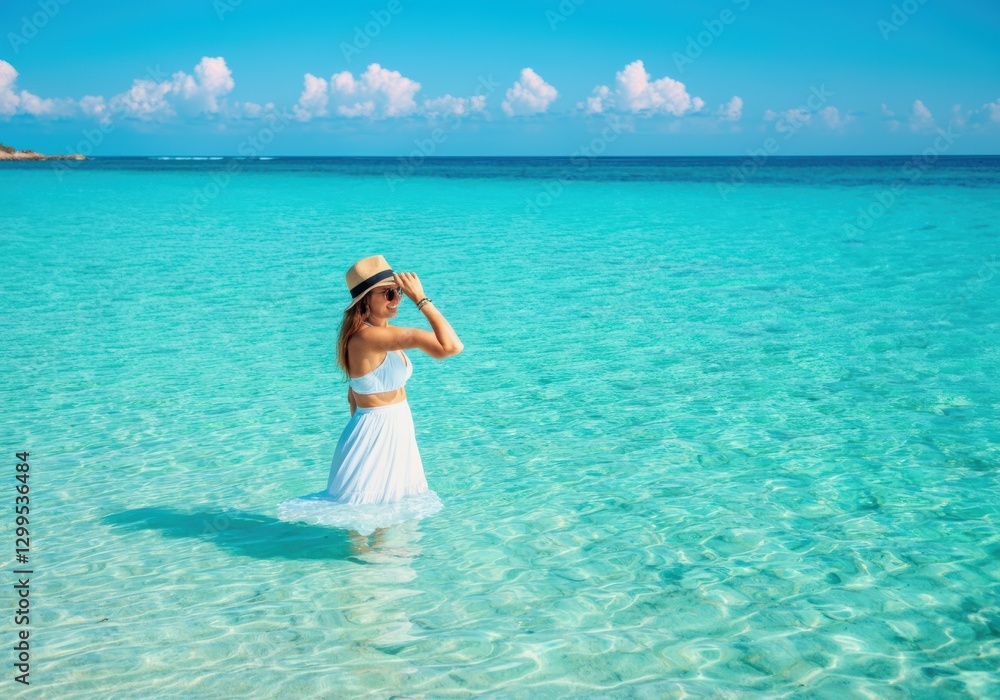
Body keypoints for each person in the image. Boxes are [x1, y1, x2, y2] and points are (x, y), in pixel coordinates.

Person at [326, 254, 463, 506]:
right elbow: (452, 346)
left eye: (399, 291)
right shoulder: (367, 338)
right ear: (365, 300)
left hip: (392, 431)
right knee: (364, 525)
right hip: (376, 435)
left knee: (387, 525)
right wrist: (420, 300)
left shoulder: (381, 334)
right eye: (388, 293)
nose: (398, 298)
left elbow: (352, 398)